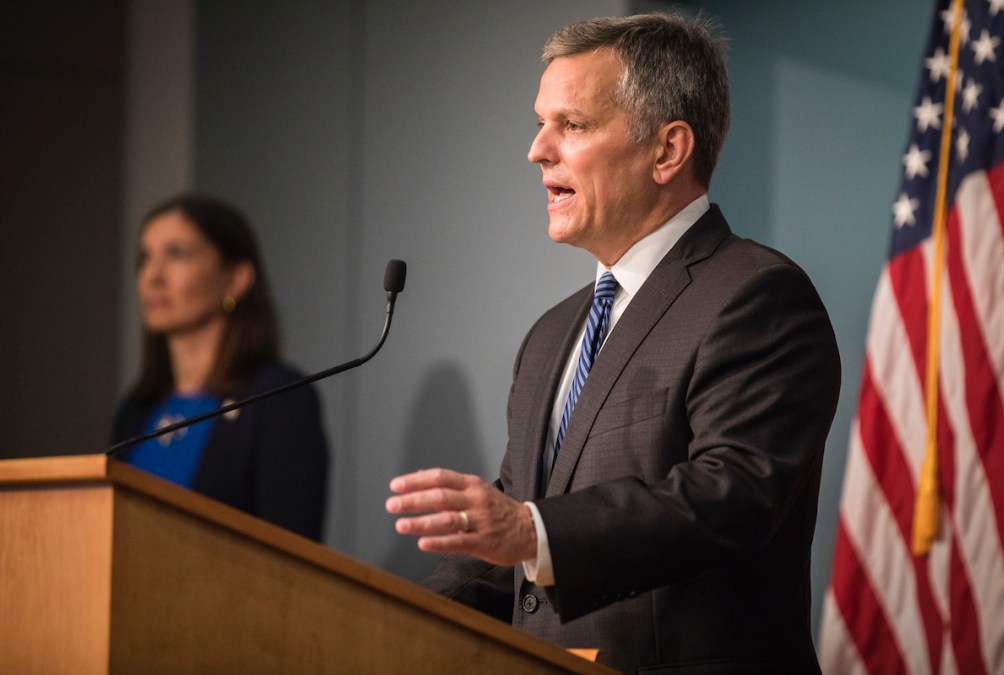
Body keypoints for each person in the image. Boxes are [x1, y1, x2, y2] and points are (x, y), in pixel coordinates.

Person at [386, 12, 841, 674]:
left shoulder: (756, 295)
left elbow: (734, 493)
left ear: (666, 150)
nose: (537, 149)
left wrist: (531, 532)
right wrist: (380, 611)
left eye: (570, 125)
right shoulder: (550, 334)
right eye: (540, 123)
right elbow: (517, 540)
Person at [113, 194, 329, 541]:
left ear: (236, 279)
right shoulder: (137, 408)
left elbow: (293, 559)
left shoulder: (280, 400)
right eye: (144, 258)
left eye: (177, 254)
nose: (152, 276)